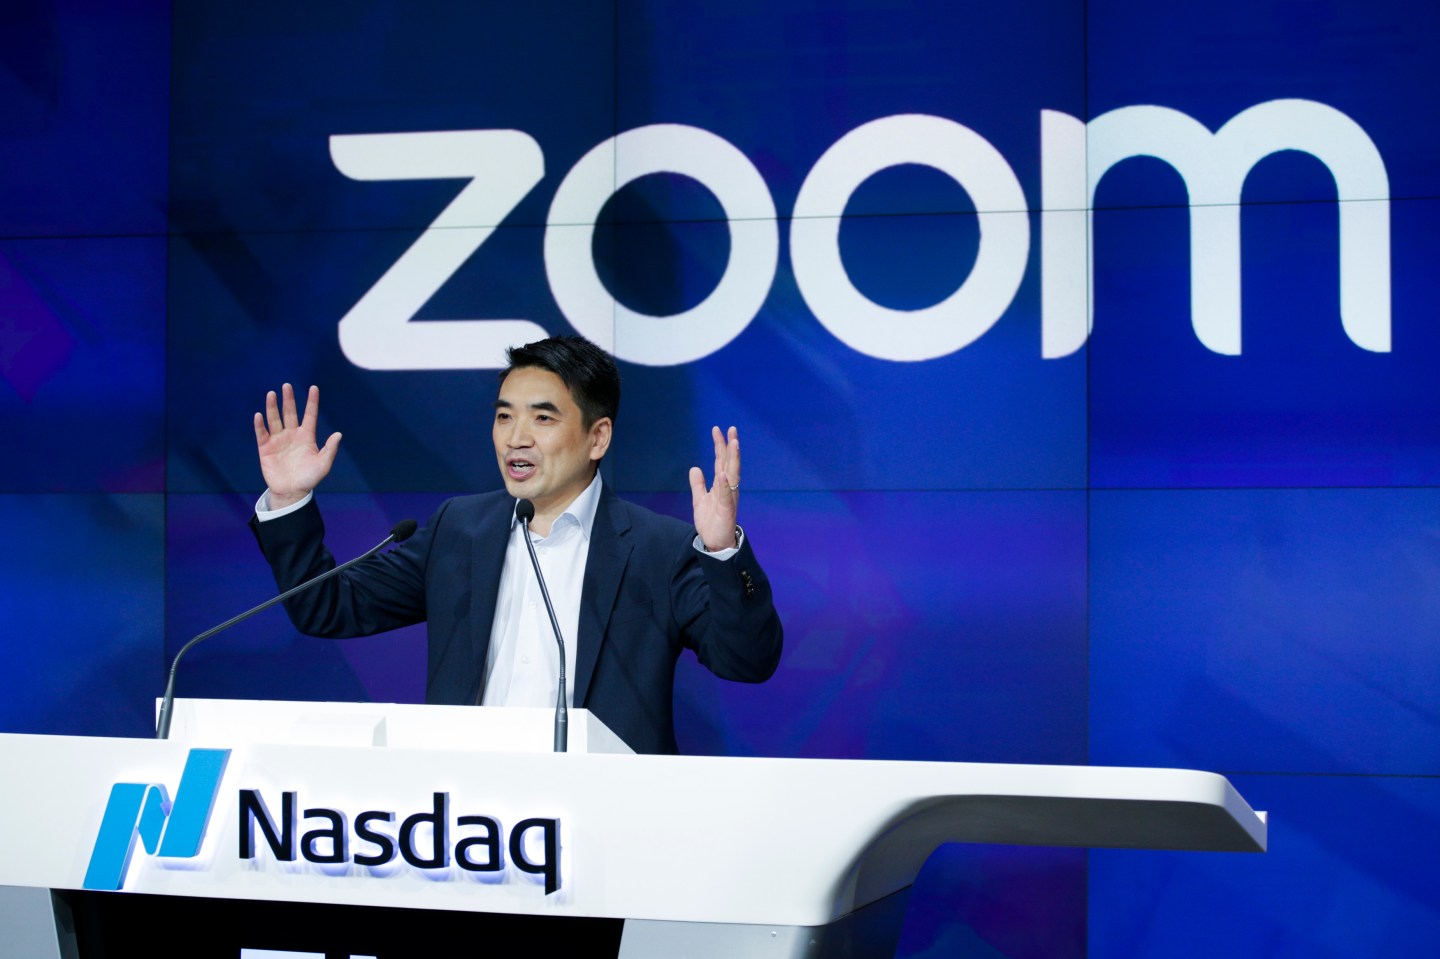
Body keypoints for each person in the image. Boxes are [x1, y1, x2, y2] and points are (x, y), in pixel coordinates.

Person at [249, 335, 782, 754]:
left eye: (542, 418)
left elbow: (747, 661)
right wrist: (289, 500)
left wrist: (722, 551)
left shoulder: (657, 547)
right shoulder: (461, 529)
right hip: (469, 820)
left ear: (597, 437)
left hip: (605, 819)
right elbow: (325, 606)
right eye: (504, 416)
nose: (515, 437)